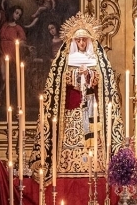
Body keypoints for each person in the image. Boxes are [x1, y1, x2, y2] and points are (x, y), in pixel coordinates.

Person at [28, 13, 124, 181]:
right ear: (73, 41)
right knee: (70, 137)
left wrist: (88, 74)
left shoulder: (96, 59)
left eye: (84, 40)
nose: (81, 43)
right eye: (78, 40)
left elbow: (103, 81)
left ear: (89, 40)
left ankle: (95, 165)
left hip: (91, 105)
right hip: (71, 107)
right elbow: (58, 82)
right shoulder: (65, 59)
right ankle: (66, 165)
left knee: (92, 135)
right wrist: (75, 77)